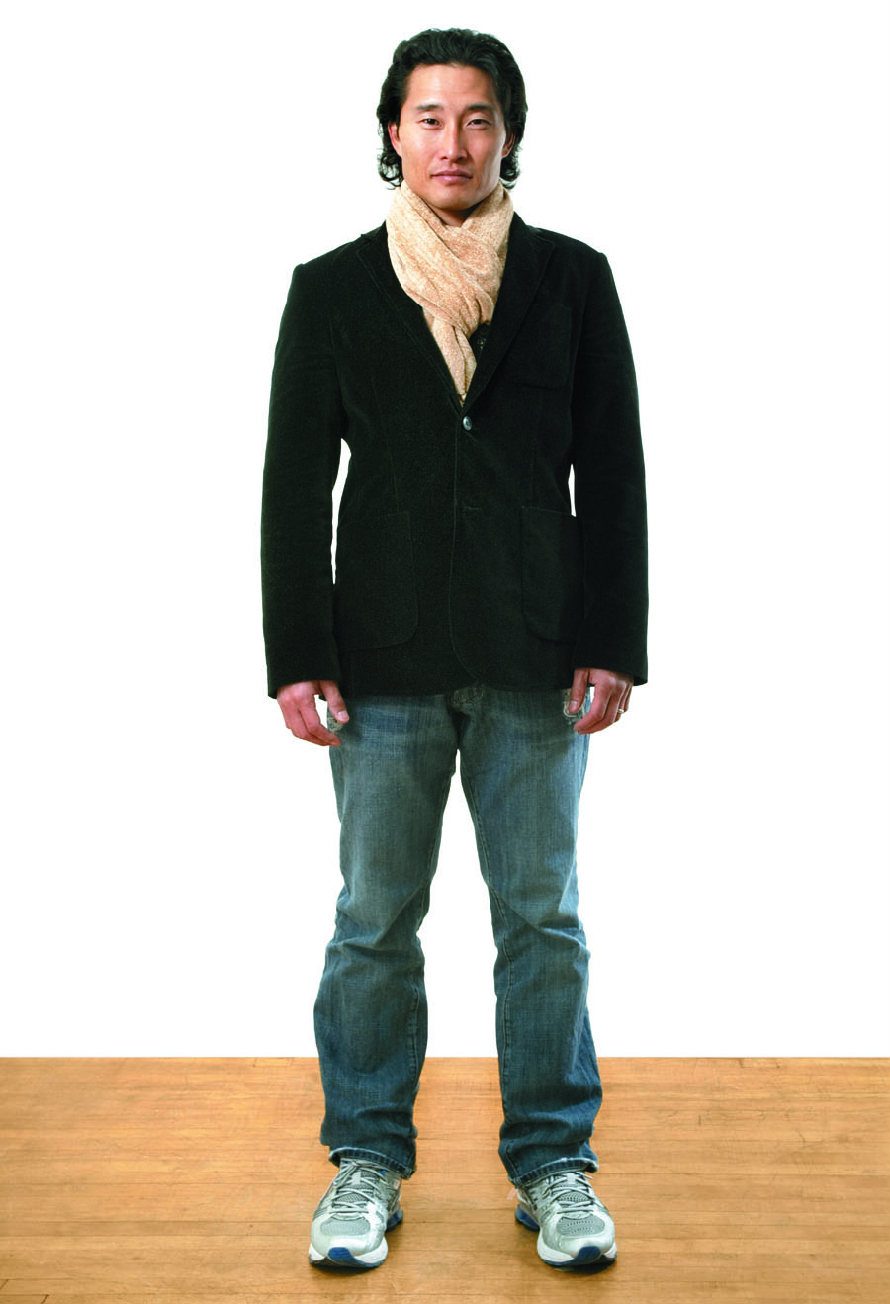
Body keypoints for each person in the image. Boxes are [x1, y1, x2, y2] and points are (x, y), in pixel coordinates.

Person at [261, 26, 647, 1273]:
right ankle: (365, 1158)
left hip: (537, 652)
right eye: (428, 117)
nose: (452, 142)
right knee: (373, 918)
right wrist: (296, 652)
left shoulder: (571, 280)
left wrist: (612, 639)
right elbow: (291, 486)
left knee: (543, 918)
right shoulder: (331, 288)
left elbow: (613, 473)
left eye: (476, 118)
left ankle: (553, 1163)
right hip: (377, 661)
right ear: (393, 133)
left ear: (507, 134)